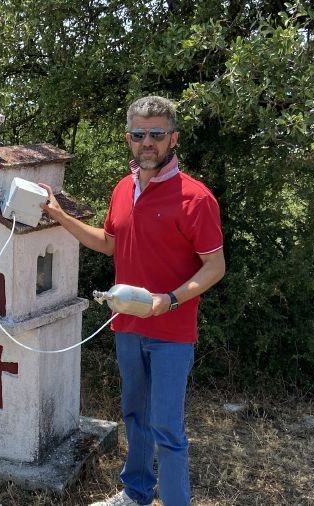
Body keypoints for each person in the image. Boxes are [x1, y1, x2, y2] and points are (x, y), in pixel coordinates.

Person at [39, 96, 225, 506]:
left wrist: (170, 299)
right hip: (127, 325)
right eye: (139, 134)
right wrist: (60, 216)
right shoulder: (123, 189)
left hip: (172, 332)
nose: (147, 142)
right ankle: (137, 493)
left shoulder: (196, 198)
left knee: (167, 427)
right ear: (128, 138)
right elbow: (109, 242)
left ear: (173, 138)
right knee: (135, 416)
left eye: (156, 134)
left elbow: (215, 267)